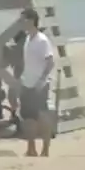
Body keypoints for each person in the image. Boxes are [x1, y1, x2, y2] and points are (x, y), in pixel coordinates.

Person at [18, 9, 55, 157]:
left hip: (39, 85)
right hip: (27, 82)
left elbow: (50, 62)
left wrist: (42, 80)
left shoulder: (42, 40)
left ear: (31, 20)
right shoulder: (28, 39)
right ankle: (31, 148)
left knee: (42, 116)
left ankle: (45, 149)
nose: (21, 23)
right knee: (28, 117)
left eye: (23, 20)